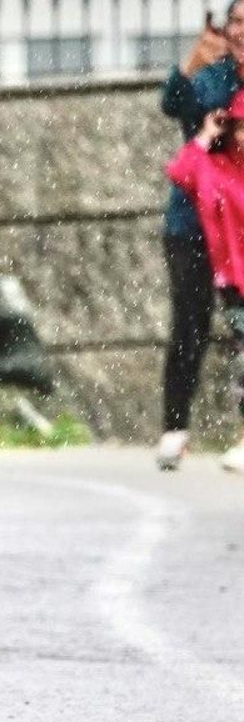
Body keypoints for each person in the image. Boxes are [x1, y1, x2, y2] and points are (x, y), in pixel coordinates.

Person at [157, 7, 244, 470]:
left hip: (240, 224)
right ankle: (174, 428)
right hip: (194, 221)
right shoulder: (213, 76)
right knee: (190, 324)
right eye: (237, 21)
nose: (242, 31)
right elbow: (172, 103)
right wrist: (192, 62)